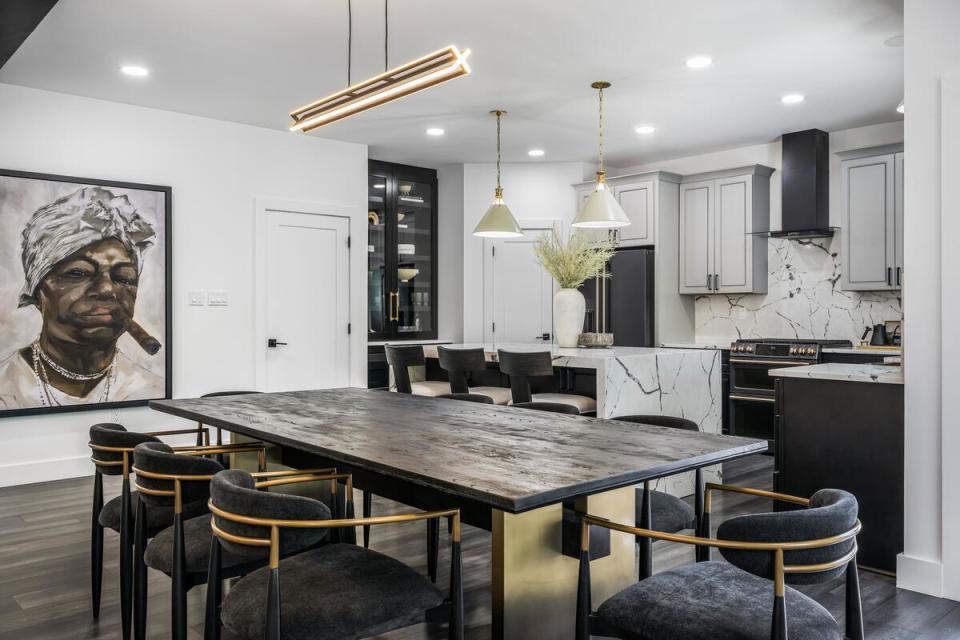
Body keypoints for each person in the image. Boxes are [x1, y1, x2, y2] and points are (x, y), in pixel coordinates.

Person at [0, 186, 164, 410]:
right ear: (37, 293)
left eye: (124, 277)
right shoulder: (6, 389)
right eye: (78, 273)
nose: (107, 290)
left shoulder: (151, 390)